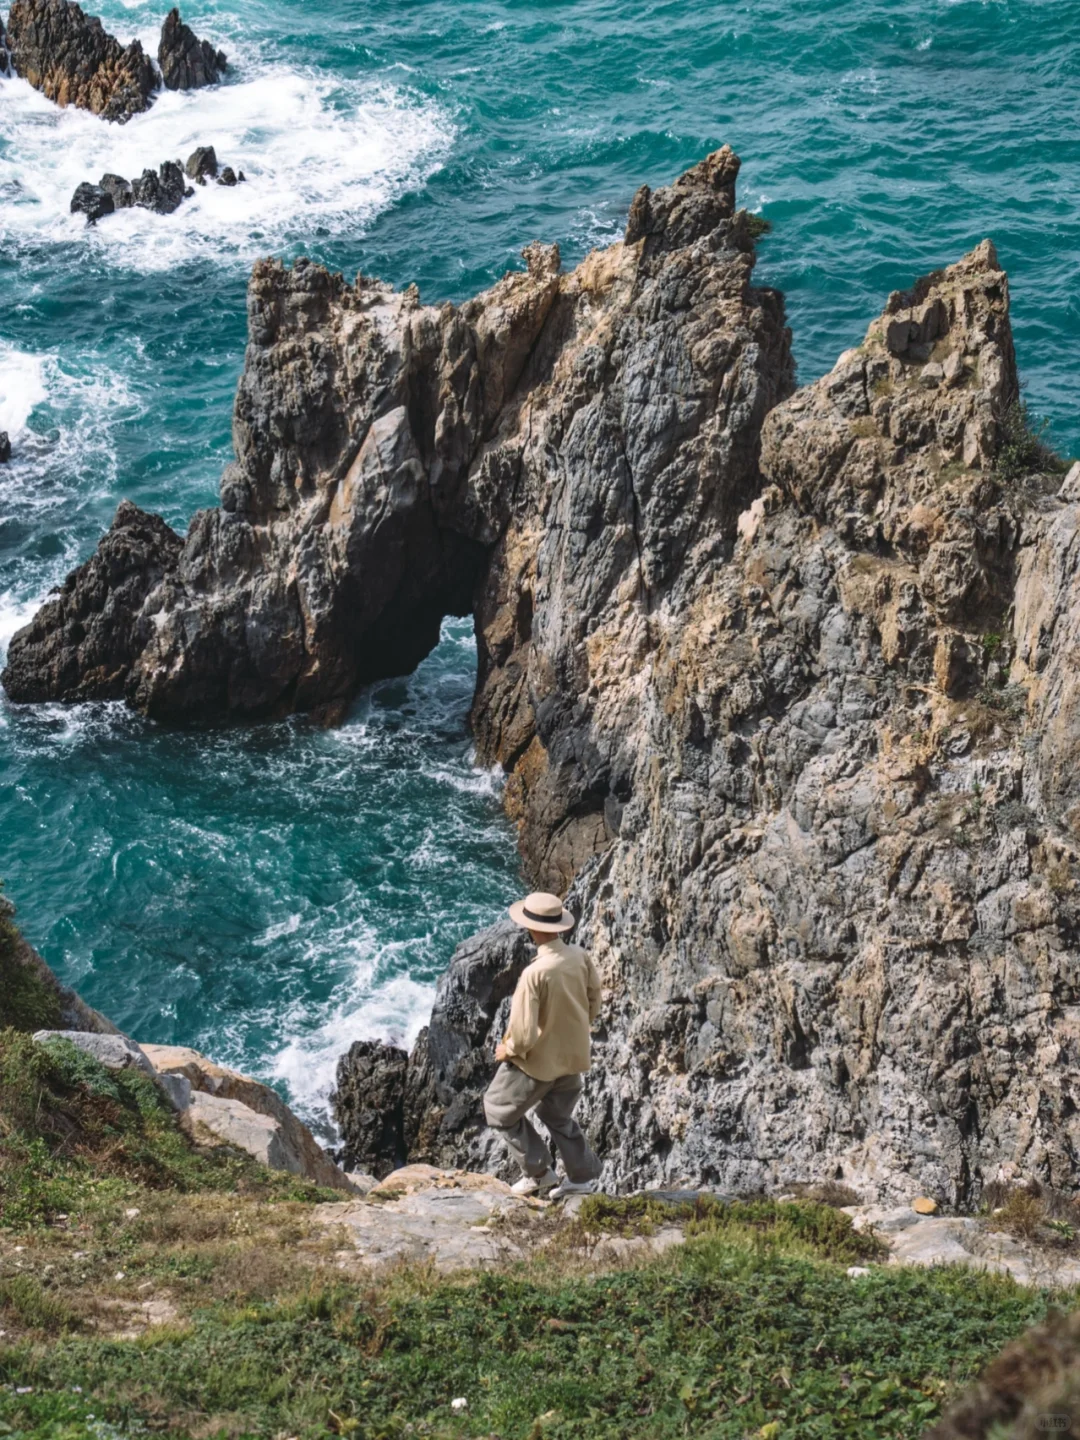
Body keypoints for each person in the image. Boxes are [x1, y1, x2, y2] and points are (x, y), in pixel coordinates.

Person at [483, 890, 604, 1198]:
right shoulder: (580, 956)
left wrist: (507, 1050)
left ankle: (538, 1172)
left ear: (532, 928)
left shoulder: (535, 973)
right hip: (573, 1056)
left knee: (497, 1109)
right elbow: (594, 1002)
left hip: (539, 1063)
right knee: (556, 1116)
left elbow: (523, 1034)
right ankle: (580, 1177)